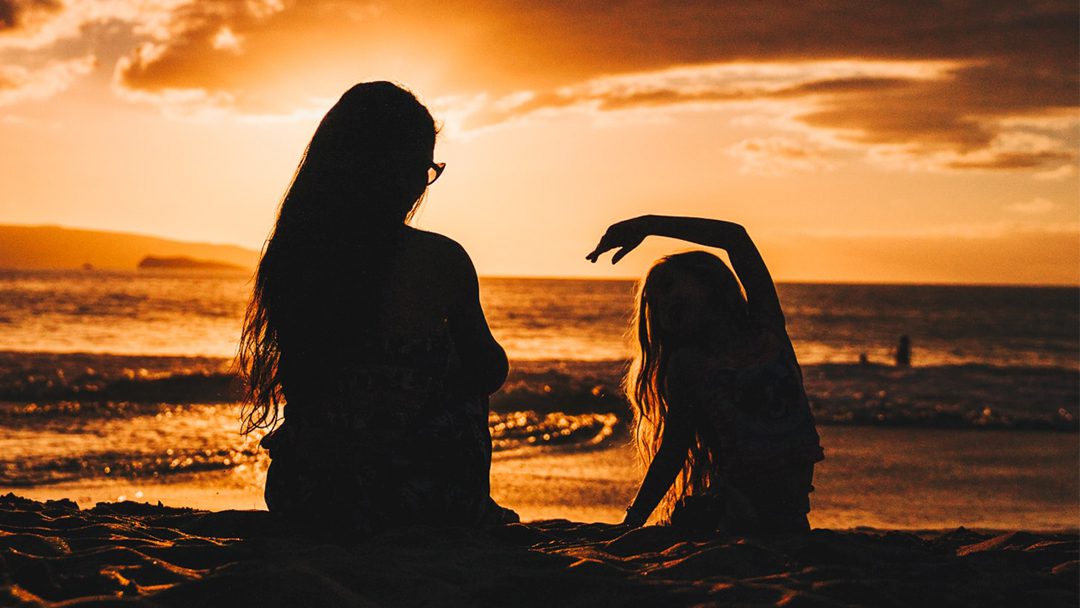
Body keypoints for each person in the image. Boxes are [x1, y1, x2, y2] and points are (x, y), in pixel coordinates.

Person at [238, 81, 517, 535]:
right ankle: (473, 505)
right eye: (422, 167)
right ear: (400, 171)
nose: (422, 183)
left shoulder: (295, 254)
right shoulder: (441, 259)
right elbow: (488, 370)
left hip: (306, 496)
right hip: (419, 502)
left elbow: (305, 385)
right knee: (462, 375)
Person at [586, 215, 824, 533]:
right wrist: (633, 520)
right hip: (741, 503)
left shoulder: (766, 330)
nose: (664, 302)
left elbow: (735, 238)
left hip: (790, 503)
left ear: (709, 282)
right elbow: (673, 449)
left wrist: (647, 225)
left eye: (669, 286)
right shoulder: (688, 365)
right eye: (655, 304)